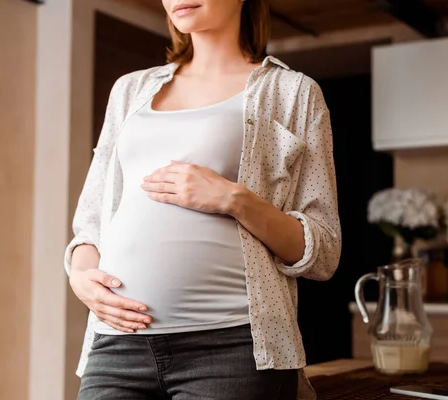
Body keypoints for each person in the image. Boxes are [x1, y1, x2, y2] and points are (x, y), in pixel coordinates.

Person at [65, 0, 341, 398]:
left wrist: (234, 199)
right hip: (116, 346)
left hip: (230, 350)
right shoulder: (130, 90)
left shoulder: (292, 92)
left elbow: (324, 251)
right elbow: (90, 223)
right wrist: (80, 277)